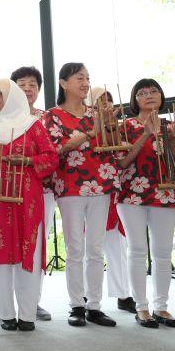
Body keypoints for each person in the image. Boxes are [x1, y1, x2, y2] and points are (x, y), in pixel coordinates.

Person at [0, 79, 57, 331]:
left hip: (26, 199)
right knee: (0, 253)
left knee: (27, 252)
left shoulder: (32, 125)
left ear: (11, 96)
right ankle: (6, 313)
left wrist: (29, 160)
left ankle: (28, 314)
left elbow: (51, 157)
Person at [42, 62, 118, 327]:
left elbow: (111, 143)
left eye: (87, 78)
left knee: (96, 249)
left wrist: (106, 127)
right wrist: (89, 133)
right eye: (79, 78)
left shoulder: (98, 112)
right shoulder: (52, 115)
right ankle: (77, 305)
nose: (85, 83)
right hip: (70, 185)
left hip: (101, 183)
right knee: (75, 248)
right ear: (63, 83)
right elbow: (55, 149)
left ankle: (95, 306)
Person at [116, 78, 175, 328]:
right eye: (142, 92)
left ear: (161, 97)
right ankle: (141, 307)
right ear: (135, 100)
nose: (149, 95)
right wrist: (146, 135)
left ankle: (161, 306)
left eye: (154, 91)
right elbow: (121, 163)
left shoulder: (171, 126)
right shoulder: (125, 127)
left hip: (165, 193)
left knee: (163, 253)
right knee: (138, 250)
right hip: (132, 193)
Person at [87, 88, 135, 314]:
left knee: (117, 244)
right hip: (89, 191)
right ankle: (85, 295)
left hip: (115, 191)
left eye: (109, 101)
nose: (105, 105)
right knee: (89, 248)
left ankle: (123, 294)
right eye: (100, 102)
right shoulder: (86, 124)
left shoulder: (119, 126)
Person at [12, 66, 53, 321]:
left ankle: (33, 301)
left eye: (33, 85)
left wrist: (28, 161)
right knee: (9, 245)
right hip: (6, 191)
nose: (27, 89)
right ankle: (1, 302)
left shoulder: (45, 118)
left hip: (40, 189)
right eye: (21, 84)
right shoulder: (0, 115)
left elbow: (52, 153)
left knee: (36, 244)